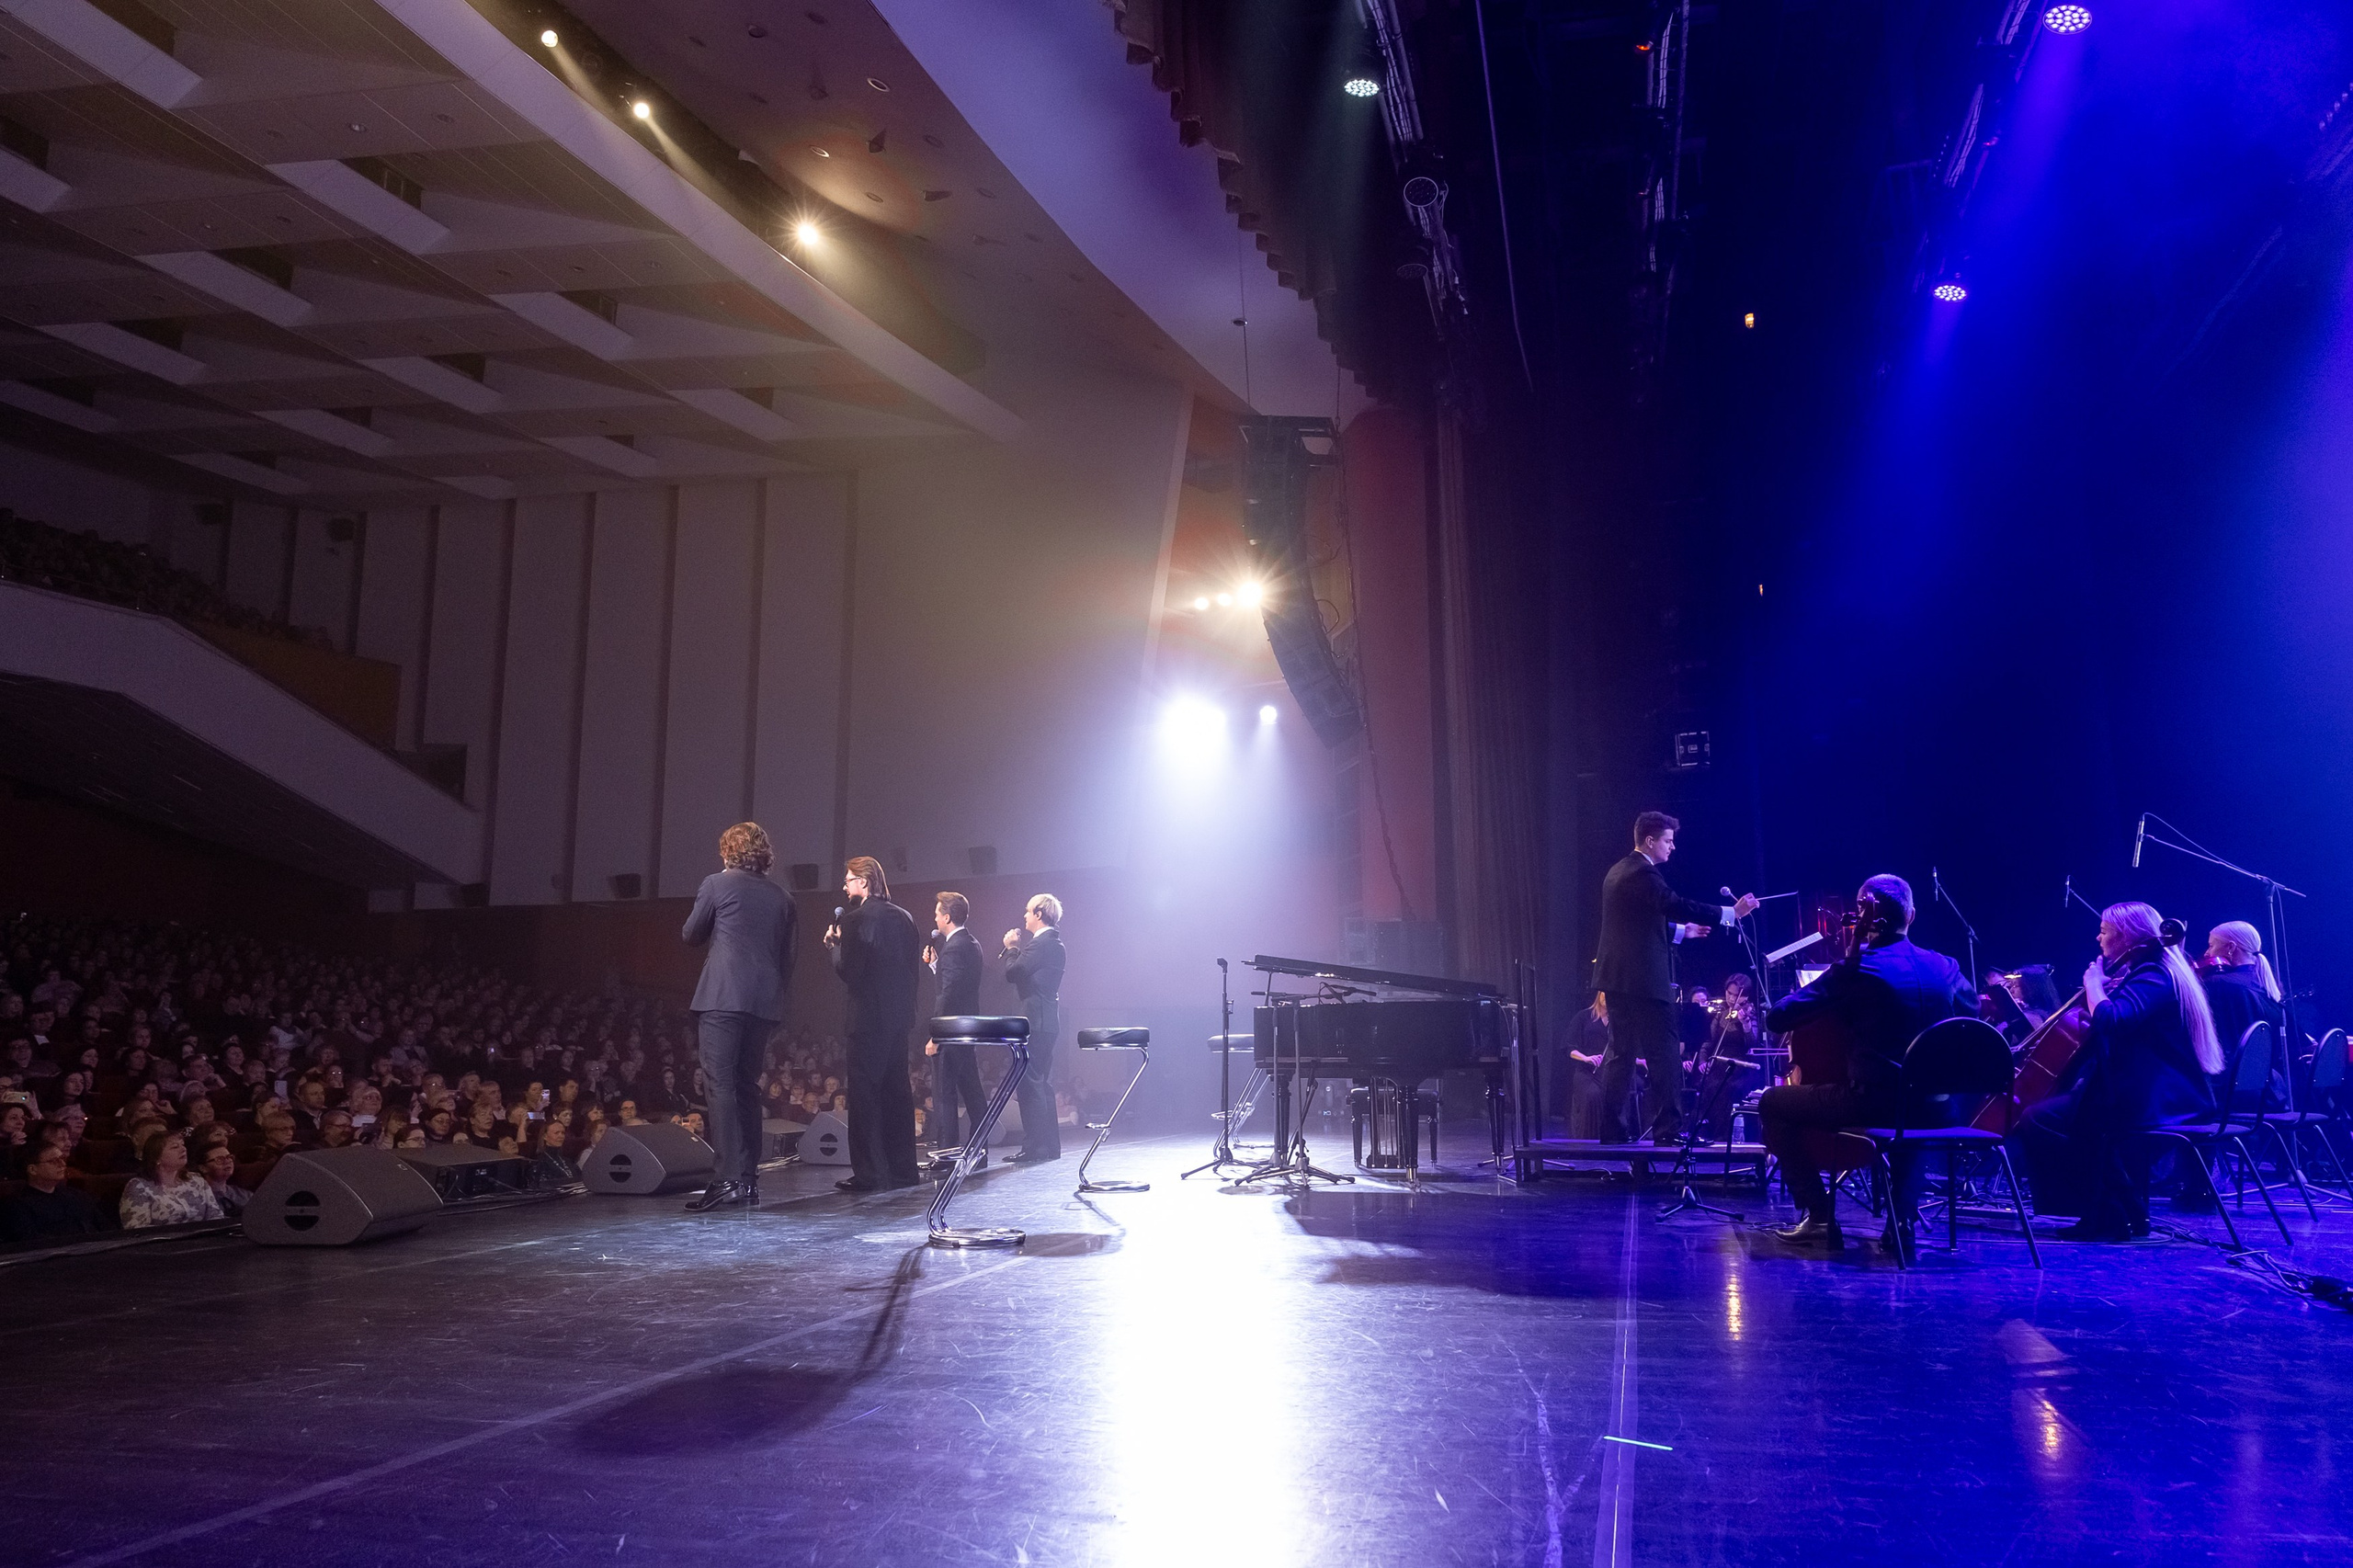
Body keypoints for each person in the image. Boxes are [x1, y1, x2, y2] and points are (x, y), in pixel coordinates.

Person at [1759, 875, 1974, 1250]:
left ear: (1864, 915)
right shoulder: (1946, 966)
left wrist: (1851, 955)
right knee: (1913, 1103)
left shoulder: (1857, 969)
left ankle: (1820, 1216)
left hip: (1873, 1102)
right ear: (1911, 914)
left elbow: (1778, 1018)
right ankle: (1901, 1224)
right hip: (1939, 1108)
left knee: (1772, 1103)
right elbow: (1971, 1019)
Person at [2008, 902, 2222, 1241]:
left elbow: (2112, 1020)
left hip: (2158, 1099)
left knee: (2052, 1119)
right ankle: (2122, 1211)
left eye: (2105, 932)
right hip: (2150, 1091)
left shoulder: (2155, 973)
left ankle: (2107, 1214)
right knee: (2066, 1114)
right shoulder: (2154, 969)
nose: (2099, 938)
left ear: (2126, 937)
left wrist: (2094, 983)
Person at [1592, 812, 1758, 1144]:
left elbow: (1636, 924)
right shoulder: (1644, 873)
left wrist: (1682, 933)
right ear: (1650, 841)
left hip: (1617, 978)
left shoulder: (1619, 871)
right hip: (1643, 980)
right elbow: (1673, 903)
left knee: (1620, 1053)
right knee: (1664, 1052)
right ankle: (1668, 1131)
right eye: (1668, 840)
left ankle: (1612, 1131)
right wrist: (1730, 913)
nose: (1673, 847)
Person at [679, 822, 799, 1212]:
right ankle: (748, 1180)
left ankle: (727, 1178)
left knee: (721, 1085)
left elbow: (691, 934)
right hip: (764, 1001)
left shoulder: (717, 883)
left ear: (729, 851)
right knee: (746, 1084)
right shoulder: (783, 898)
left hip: (723, 995)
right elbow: (789, 960)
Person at [824, 857, 923, 1191]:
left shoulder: (856, 920)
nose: (845, 886)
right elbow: (913, 974)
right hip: (899, 1020)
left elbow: (851, 972)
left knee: (865, 1097)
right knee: (898, 1094)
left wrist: (834, 948)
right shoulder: (907, 918)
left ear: (864, 883)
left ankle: (870, 1174)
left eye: (849, 879)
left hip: (867, 1020)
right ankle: (904, 1170)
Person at [924, 892, 988, 1167]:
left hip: (950, 1031)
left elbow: (948, 994)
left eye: (938, 913)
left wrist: (936, 1034)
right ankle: (979, 1149)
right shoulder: (970, 943)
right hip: (966, 1029)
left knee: (945, 1094)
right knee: (972, 1091)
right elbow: (957, 986)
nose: (935, 917)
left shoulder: (954, 947)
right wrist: (936, 965)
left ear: (947, 917)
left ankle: (947, 1153)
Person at [1003, 893, 1068, 1164]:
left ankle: (1035, 1147)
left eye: (1028, 912)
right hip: (1047, 1020)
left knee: (1030, 1085)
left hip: (1036, 1021)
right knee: (1042, 1083)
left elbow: (1012, 972)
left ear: (1039, 913)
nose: (1025, 916)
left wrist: (1011, 947)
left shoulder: (1041, 944)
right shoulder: (1055, 944)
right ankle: (1049, 1146)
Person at [2201, 921, 2285, 1103]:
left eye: (2211, 945)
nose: (2207, 953)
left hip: (2228, 1092)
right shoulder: (2267, 988)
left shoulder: (2219, 984)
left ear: (2230, 947)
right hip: (2270, 1092)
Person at [0, 1140, 104, 1244]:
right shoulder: (17, 1206)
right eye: (53, 1161)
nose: (62, 1164)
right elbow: (30, 1241)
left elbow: (105, 1228)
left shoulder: (77, 1195)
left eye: (62, 1158)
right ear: (32, 1170)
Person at [120, 1131, 225, 1230]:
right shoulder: (139, 1186)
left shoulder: (197, 1180)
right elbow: (136, 1229)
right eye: (175, 1147)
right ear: (156, 1158)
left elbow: (216, 1215)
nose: (183, 1149)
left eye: (183, 1144)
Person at [196, 1143, 254, 1217]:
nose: (227, 1161)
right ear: (203, 1168)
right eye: (219, 1159)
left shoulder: (245, 1195)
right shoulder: (199, 1198)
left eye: (229, 1157)